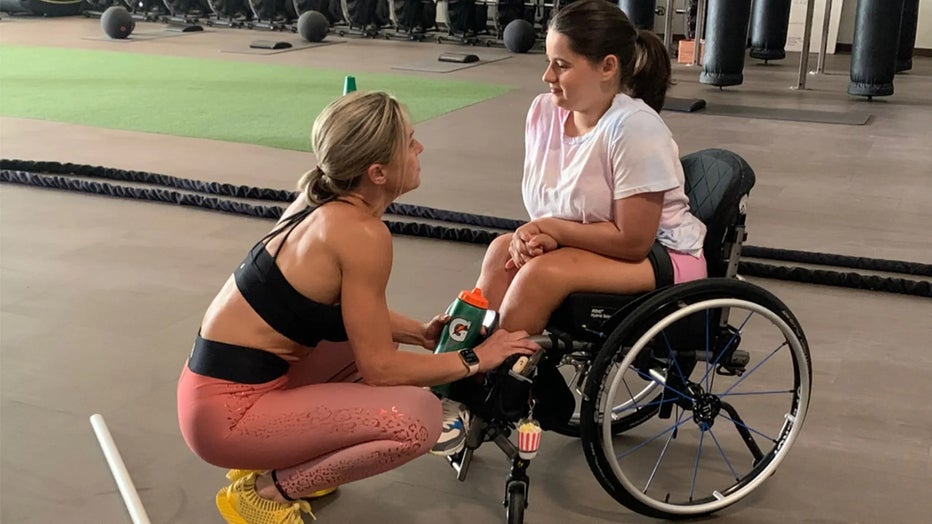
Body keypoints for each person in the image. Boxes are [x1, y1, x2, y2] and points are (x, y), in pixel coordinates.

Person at [176, 91, 540, 524]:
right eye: (409, 141)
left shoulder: (321, 202)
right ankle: (265, 492)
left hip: (213, 392)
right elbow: (380, 370)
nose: (420, 148)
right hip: (225, 419)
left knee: (360, 343)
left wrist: (419, 333)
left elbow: (338, 316)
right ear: (378, 172)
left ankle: (282, 451)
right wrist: (475, 359)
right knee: (419, 421)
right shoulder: (362, 234)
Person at [439, 0, 709, 434]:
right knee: (500, 253)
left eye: (561, 66)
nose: (548, 77)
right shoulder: (544, 113)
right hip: (589, 247)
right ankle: (466, 366)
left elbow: (633, 241)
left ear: (606, 67)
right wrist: (539, 236)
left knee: (540, 276)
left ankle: (497, 388)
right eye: (549, 63)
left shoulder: (635, 128)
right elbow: (554, 208)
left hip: (664, 257)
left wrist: (553, 232)